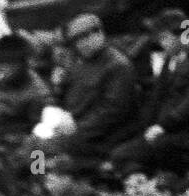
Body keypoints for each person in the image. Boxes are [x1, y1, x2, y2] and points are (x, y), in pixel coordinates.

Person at [109, 9, 189, 174]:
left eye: (164, 38)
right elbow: (156, 98)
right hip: (164, 129)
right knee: (120, 151)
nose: (162, 44)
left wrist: (163, 126)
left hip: (188, 133)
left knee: (125, 156)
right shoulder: (170, 61)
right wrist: (146, 126)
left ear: (180, 36)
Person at [51, 15, 141, 170]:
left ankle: (97, 169)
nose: (81, 44)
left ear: (99, 34)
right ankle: (37, 178)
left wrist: (77, 129)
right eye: (77, 41)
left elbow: (113, 111)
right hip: (76, 124)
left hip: (107, 134)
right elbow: (69, 98)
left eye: (85, 38)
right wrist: (58, 86)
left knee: (49, 149)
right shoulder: (81, 63)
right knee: (36, 144)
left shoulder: (118, 66)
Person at [0, 34, 49, 146]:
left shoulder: (37, 90)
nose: (3, 69)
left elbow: (38, 130)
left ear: (22, 64)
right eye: (1, 62)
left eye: (9, 64)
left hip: (15, 140)